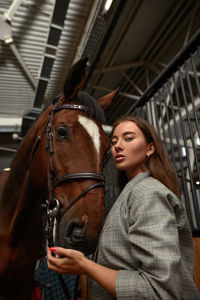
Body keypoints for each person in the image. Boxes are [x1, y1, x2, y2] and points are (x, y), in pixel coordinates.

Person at [47, 116, 200, 299]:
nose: (118, 146)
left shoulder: (148, 193)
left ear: (150, 148)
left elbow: (159, 291)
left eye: (128, 138)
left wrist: (85, 266)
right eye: (114, 141)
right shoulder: (131, 193)